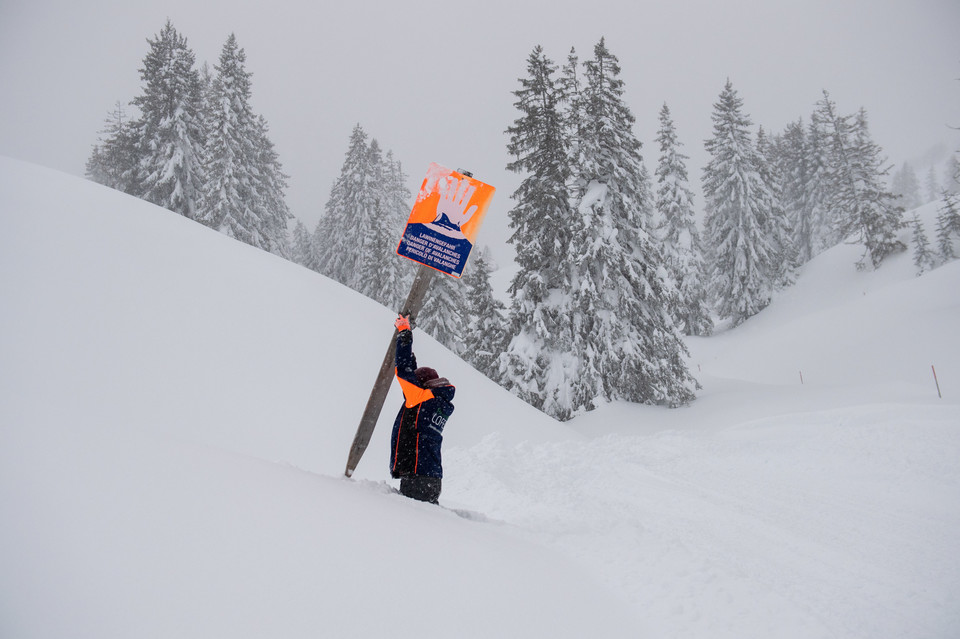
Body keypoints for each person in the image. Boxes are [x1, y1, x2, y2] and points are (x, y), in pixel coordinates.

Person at [389, 314, 455, 504]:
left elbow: (403, 369)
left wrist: (404, 334)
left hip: (417, 476)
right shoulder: (436, 400)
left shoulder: (420, 398)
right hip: (432, 477)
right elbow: (412, 374)